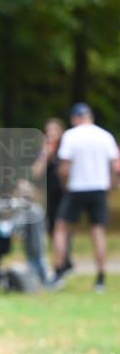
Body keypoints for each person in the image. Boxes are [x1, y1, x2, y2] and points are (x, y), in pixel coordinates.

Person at [50, 103, 119, 292]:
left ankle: (58, 272)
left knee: (61, 228)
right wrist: (110, 187)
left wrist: (65, 187)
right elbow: (114, 166)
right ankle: (100, 278)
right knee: (97, 231)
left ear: (75, 118)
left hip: (76, 188)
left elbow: (64, 168)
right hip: (99, 188)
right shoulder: (105, 136)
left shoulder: (71, 136)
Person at [31, 117, 73, 273]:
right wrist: (44, 154)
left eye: (54, 130)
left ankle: (63, 263)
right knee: (51, 230)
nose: (51, 134)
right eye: (48, 131)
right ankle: (61, 261)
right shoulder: (44, 151)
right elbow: (35, 173)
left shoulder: (66, 150)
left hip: (65, 194)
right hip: (49, 196)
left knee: (62, 229)